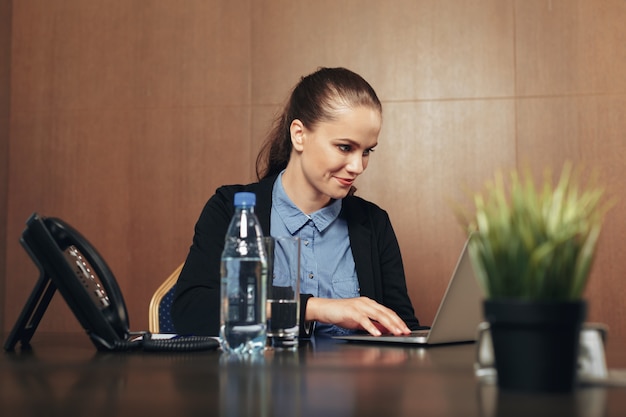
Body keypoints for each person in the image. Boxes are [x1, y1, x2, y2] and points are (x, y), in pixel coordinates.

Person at [171, 67, 422, 338]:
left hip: (353, 380)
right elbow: (191, 312)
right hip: (257, 380)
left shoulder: (374, 223)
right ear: (299, 134)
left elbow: (402, 328)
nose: (357, 166)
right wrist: (313, 308)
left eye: (367, 151)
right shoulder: (231, 209)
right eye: (345, 147)